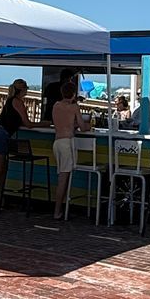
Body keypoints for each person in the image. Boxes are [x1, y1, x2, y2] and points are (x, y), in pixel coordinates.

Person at [0, 79, 29, 212]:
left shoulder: (11, 101)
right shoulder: (17, 101)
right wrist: (46, 123)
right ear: (23, 90)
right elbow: (28, 123)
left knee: (1, 169)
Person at [51, 78, 89, 220]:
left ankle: (60, 208)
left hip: (57, 143)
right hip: (67, 143)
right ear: (73, 94)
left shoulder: (56, 105)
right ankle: (57, 211)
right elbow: (83, 127)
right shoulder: (74, 107)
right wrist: (88, 125)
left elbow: (61, 124)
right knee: (63, 179)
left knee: (62, 176)